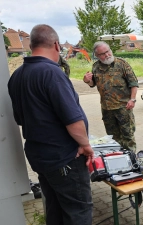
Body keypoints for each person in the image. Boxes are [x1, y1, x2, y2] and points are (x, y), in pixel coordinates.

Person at [8, 24, 94, 225]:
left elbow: (19, 119)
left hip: (40, 157)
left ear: (31, 45)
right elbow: (73, 120)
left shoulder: (17, 76)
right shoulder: (52, 73)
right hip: (64, 158)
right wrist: (86, 145)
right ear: (56, 44)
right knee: (78, 212)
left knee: (54, 209)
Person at [83, 41, 139, 151]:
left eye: (108, 51)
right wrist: (87, 81)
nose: (107, 55)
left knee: (128, 136)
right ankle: (117, 160)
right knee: (112, 138)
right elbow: (93, 84)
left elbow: (133, 83)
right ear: (97, 56)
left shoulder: (122, 64)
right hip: (107, 109)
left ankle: (132, 161)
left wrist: (132, 99)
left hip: (123, 107)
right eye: (103, 53)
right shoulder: (95, 67)